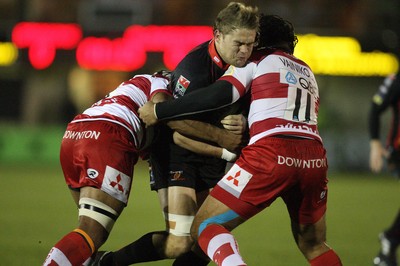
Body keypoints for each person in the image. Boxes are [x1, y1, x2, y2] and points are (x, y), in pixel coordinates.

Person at [139, 14, 342, 265]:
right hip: (314, 158)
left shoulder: (256, 60)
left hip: (271, 153)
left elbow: (220, 94)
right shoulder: (307, 72)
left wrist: (160, 111)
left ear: (258, 41)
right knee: (314, 246)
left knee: (204, 225)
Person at [95, 2, 259, 265]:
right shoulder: (193, 71)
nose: (245, 51)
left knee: (206, 234)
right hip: (176, 155)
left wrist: (244, 121)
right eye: (239, 43)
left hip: (211, 156)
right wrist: (223, 143)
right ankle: (107, 263)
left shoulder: (249, 64)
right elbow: (174, 127)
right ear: (218, 35)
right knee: (180, 240)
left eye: (250, 44)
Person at [42, 71, 241, 266]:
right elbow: (160, 109)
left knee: (86, 238)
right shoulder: (163, 80)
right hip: (110, 135)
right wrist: (222, 146)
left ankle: (99, 261)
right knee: (91, 232)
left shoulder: (132, 89)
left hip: (75, 133)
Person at [369, 72, 400, 266]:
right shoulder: (396, 80)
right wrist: (375, 144)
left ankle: (390, 242)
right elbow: (375, 107)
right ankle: (390, 239)